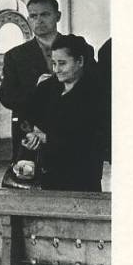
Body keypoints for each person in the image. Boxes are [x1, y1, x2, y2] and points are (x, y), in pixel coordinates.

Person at [21, 34, 105, 192]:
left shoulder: (96, 94)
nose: (56, 70)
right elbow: (26, 118)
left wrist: (48, 138)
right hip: (47, 171)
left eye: (62, 63)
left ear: (80, 61)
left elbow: (93, 141)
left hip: (82, 176)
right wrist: (31, 135)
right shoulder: (46, 87)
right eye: (53, 63)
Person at [0, 0, 63, 160]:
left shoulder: (79, 47)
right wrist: (36, 90)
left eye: (45, 14)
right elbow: (6, 97)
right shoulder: (15, 56)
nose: (39, 20)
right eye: (34, 16)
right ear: (28, 19)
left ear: (58, 16)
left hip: (70, 131)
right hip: (30, 134)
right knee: (28, 179)